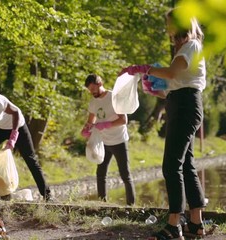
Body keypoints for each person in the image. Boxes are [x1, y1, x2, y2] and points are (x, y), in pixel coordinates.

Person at [120, 8, 207, 240]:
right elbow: (174, 85)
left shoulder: (191, 46)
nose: (167, 29)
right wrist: (153, 89)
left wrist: (143, 68)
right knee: (186, 165)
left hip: (186, 107)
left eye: (169, 24)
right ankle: (196, 224)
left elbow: (171, 72)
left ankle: (173, 225)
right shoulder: (184, 48)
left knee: (171, 166)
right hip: (180, 104)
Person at [81, 74, 135, 206]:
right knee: (101, 173)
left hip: (119, 140)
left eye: (93, 89)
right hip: (103, 142)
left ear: (100, 84)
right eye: (89, 90)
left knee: (125, 174)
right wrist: (86, 130)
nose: (92, 92)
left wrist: (105, 124)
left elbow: (123, 120)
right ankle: (102, 204)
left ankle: (131, 206)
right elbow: (90, 121)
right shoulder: (93, 102)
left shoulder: (114, 97)